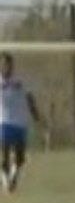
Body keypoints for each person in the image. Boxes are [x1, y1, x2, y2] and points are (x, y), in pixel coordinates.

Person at [0, 53, 44, 194]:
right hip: (4, 122)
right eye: (3, 64)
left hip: (20, 123)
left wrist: (36, 116)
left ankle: (13, 176)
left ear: (12, 66)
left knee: (20, 158)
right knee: (4, 153)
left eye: (8, 64)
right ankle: (6, 181)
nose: (6, 67)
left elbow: (30, 99)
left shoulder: (20, 81)